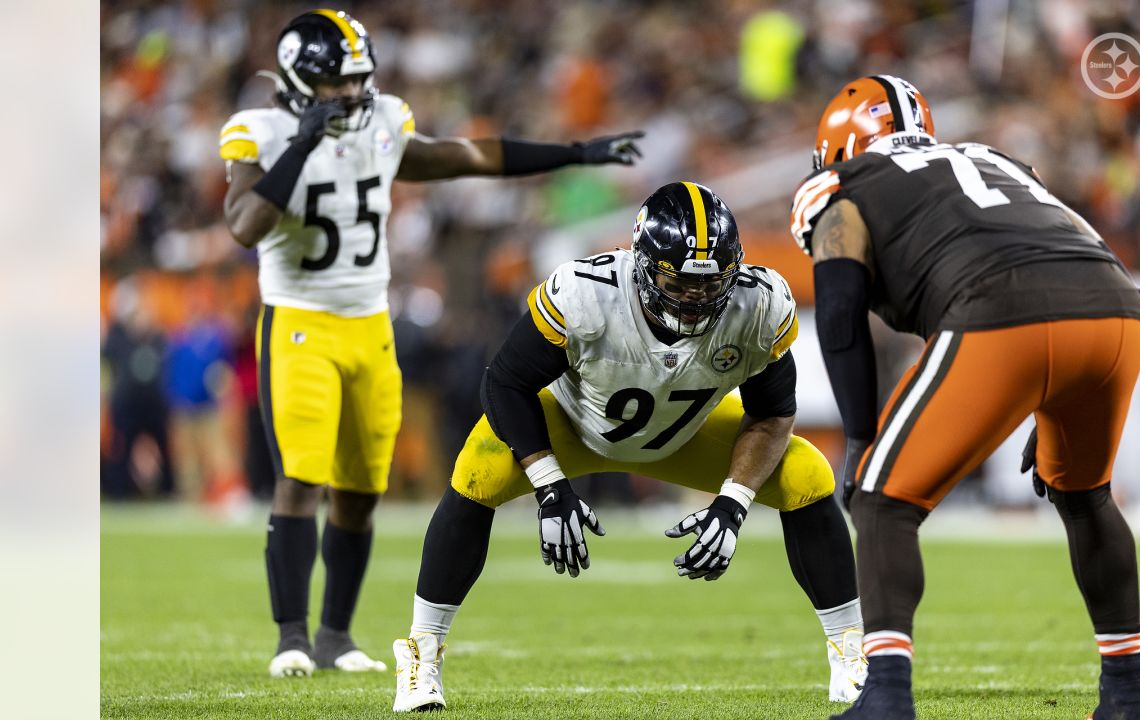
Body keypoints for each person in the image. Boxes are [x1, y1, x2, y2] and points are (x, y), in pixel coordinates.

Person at [219, 9, 644, 679]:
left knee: (360, 489)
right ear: (302, 84)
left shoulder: (384, 121)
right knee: (301, 477)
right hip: (299, 321)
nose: (354, 95)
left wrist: (574, 153)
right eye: (338, 83)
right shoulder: (262, 133)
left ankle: (336, 636)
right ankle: (291, 638)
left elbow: (469, 157)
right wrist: (301, 146)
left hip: (370, 324)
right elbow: (244, 226)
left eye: (360, 80)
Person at [392, 182, 867, 712]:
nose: (695, 299)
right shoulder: (585, 291)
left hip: (682, 434)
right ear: (641, 264)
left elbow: (773, 414)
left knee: (807, 475)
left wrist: (734, 502)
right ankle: (421, 652)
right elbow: (503, 383)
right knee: (477, 471)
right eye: (678, 282)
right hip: (572, 424)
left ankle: (850, 653)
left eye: (710, 287)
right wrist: (549, 486)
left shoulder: (760, 305)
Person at [789, 75, 1140, 720]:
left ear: (839, 147)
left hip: (1002, 308)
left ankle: (886, 698)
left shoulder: (844, 189)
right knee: (1085, 495)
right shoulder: (997, 160)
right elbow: (1063, 237)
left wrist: (857, 436)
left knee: (881, 499)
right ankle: (1129, 693)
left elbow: (841, 309)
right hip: (1116, 307)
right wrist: (1049, 396)